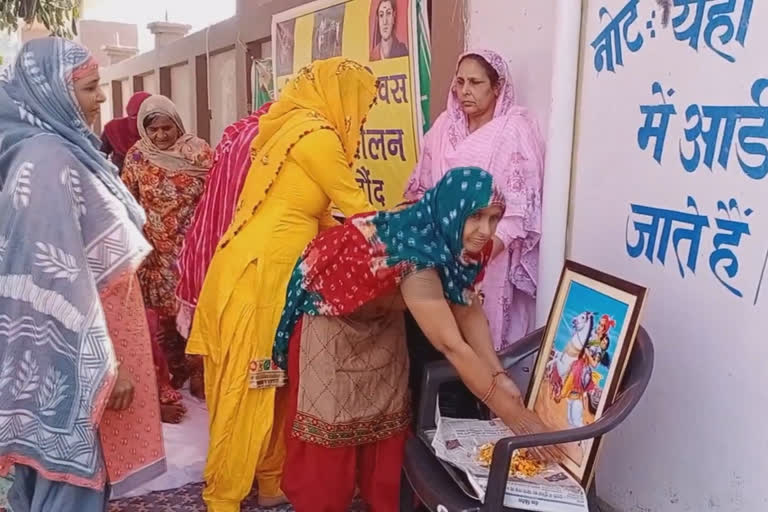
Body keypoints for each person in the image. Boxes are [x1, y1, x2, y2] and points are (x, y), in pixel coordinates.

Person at [274, 167, 554, 511]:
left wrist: (497, 374)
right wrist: (514, 416)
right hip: (331, 322)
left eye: (494, 218)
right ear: (453, 210)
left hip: (383, 317)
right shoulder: (416, 257)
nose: (486, 231)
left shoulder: (456, 239)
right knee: (329, 440)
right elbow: (451, 344)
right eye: (476, 217)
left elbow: (466, 308)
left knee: (388, 426)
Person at [187, 57, 377, 511]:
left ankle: (272, 481)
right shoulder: (318, 138)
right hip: (259, 278)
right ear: (340, 96)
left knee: (274, 379)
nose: (363, 118)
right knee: (248, 386)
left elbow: (319, 213)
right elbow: (360, 214)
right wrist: (418, 237)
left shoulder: (290, 128)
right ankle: (223, 497)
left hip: (269, 275)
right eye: (362, 105)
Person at [0, 37, 165, 510]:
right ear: (53, 92)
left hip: (55, 355)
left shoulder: (46, 152)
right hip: (71, 360)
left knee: (45, 483)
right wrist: (104, 366)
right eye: (92, 87)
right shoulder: (50, 161)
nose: (101, 99)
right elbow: (59, 279)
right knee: (69, 488)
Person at [404, 49, 544, 352]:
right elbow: (423, 193)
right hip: (438, 258)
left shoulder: (513, 131)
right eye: (461, 82)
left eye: (476, 83)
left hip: (488, 259)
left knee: (482, 346)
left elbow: (520, 212)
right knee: (440, 345)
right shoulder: (442, 128)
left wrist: (476, 257)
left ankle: (485, 393)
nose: (465, 91)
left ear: (497, 88)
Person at [122, 94, 213, 422]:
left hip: (194, 250)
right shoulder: (137, 156)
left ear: (179, 123)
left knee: (197, 313)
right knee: (163, 318)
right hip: (156, 251)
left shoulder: (198, 152)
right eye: (154, 129)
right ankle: (172, 375)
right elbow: (127, 201)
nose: (161, 135)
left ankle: (201, 375)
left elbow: (216, 194)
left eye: (167, 127)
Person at [176, 101, 273, 400]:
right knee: (255, 349)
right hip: (251, 261)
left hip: (211, 247)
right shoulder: (268, 140)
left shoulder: (238, 135)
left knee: (225, 343)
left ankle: (220, 394)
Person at [100, 91, 151, 170]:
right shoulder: (114, 128)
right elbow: (99, 156)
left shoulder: (159, 130)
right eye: (134, 116)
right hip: (118, 180)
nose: (138, 122)